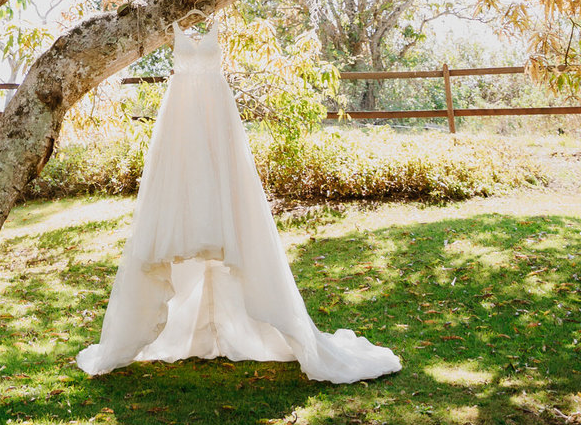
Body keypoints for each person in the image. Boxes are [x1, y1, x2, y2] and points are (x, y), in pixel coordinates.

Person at [77, 27, 400, 382]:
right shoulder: (173, 28)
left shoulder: (216, 24)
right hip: (181, 117)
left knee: (226, 185)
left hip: (217, 112)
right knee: (182, 180)